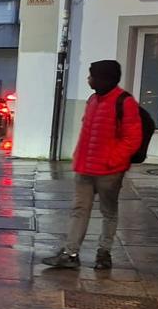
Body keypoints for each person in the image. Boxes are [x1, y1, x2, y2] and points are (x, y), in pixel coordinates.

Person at [42, 59, 143, 271]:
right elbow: (86, 133)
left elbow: (132, 138)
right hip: (85, 169)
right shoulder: (93, 100)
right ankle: (70, 254)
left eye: (92, 76)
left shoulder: (124, 102)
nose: (89, 79)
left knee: (109, 212)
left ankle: (104, 252)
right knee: (79, 210)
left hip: (109, 172)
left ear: (104, 79)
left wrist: (112, 161)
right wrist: (78, 157)